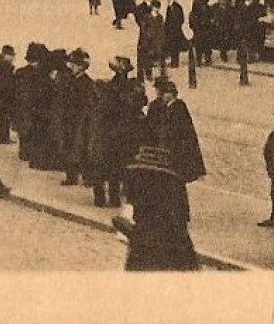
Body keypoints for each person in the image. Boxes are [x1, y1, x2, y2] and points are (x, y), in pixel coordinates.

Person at [113, 145, 199, 271]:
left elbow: (125, 220)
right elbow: (184, 217)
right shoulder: (175, 188)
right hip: (171, 249)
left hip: (144, 248)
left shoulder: (138, 188)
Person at [88, 56, 147, 208]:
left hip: (116, 130)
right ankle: (108, 197)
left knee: (109, 163)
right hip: (115, 130)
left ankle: (105, 197)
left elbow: (138, 102)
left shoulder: (118, 86)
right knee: (112, 164)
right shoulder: (118, 86)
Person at [144, 78, 206, 185]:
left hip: (175, 148)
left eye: (163, 93)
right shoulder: (160, 106)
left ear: (171, 94)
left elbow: (186, 133)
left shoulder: (179, 107)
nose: (161, 96)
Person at [57, 48, 97, 187]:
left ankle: (88, 177)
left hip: (82, 121)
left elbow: (88, 104)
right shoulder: (69, 80)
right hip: (69, 119)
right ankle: (71, 176)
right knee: (68, 146)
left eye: (74, 64)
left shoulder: (88, 83)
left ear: (82, 67)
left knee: (83, 148)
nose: (71, 66)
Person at [11, 43, 47, 161]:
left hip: (20, 108)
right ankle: (29, 153)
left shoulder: (19, 72)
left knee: (23, 133)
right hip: (31, 108)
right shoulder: (40, 75)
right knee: (31, 131)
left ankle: (24, 152)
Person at [0, 45, 17, 145]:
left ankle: (3, 137)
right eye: (11, 55)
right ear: (6, 55)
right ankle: (2, 138)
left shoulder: (0, 64)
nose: (13, 58)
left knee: (4, 118)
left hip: (1, 96)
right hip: (4, 96)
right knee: (5, 118)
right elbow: (5, 83)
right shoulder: (4, 66)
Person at [135, 0, 163, 81]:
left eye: (157, 8)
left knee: (156, 58)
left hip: (157, 40)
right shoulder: (146, 17)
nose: (156, 9)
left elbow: (161, 29)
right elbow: (143, 30)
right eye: (155, 7)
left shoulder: (160, 17)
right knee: (146, 58)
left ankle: (156, 75)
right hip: (147, 40)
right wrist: (146, 38)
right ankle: (147, 74)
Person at [163, 0, 187, 70]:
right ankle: (173, 62)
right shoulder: (169, 7)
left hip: (175, 31)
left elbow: (181, 19)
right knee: (172, 47)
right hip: (170, 31)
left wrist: (175, 27)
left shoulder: (176, 7)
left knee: (175, 47)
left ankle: (175, 63)